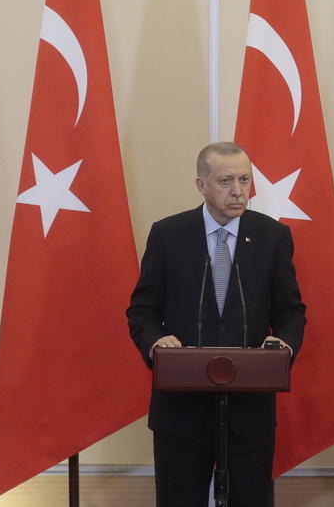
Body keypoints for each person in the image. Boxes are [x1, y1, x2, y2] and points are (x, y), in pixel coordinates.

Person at [127, 142, 307, 507]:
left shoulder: (272, 237)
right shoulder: (168, 235)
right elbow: (142, 310)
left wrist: (283, 346)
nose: (238, 191)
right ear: (201, 184)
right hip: (181, 410)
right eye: (225, 180)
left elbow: (290, 312)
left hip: (249, 411)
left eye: (245, 179)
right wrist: (157, 342)